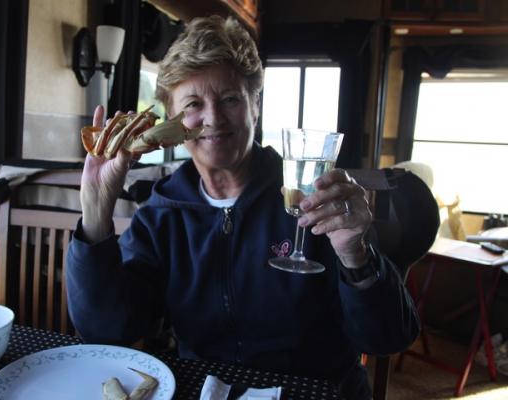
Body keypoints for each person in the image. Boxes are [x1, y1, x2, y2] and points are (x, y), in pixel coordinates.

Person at [67, 15, 419, 400]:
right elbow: (106, 331)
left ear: (255, 104)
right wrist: (96, 214)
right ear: (173, 117)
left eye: (230, 99)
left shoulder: (315, 199)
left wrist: (357, 256)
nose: (213, 118)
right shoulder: (162, 213)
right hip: (207, 391)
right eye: (193, 104)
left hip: (315, 391)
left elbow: (389, 337)